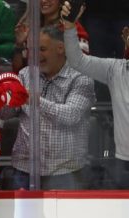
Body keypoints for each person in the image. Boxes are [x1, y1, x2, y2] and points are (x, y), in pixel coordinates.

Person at [0, 25, 95, 190]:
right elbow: (5, 115)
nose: (34, 56)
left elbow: (71, 115)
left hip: (65, 172)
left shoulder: (81, 78)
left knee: (67, 216)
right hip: (23, 169)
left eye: (41, 49)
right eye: (31, 50)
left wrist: (34, 99)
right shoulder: (24, 74)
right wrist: (4, 98)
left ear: (60, 48)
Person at [62, 3, 129, 188]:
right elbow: (76, 60)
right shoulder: (116, 69)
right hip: (122, 162)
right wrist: (69, 27)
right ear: (125, 38)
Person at [12, 0, 89, 72]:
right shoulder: (29, 29)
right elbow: (18, 70)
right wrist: (19, 45)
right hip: (31, 84)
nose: (44, 1)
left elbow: (80, 67)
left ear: (61, 2)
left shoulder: (72, 28)